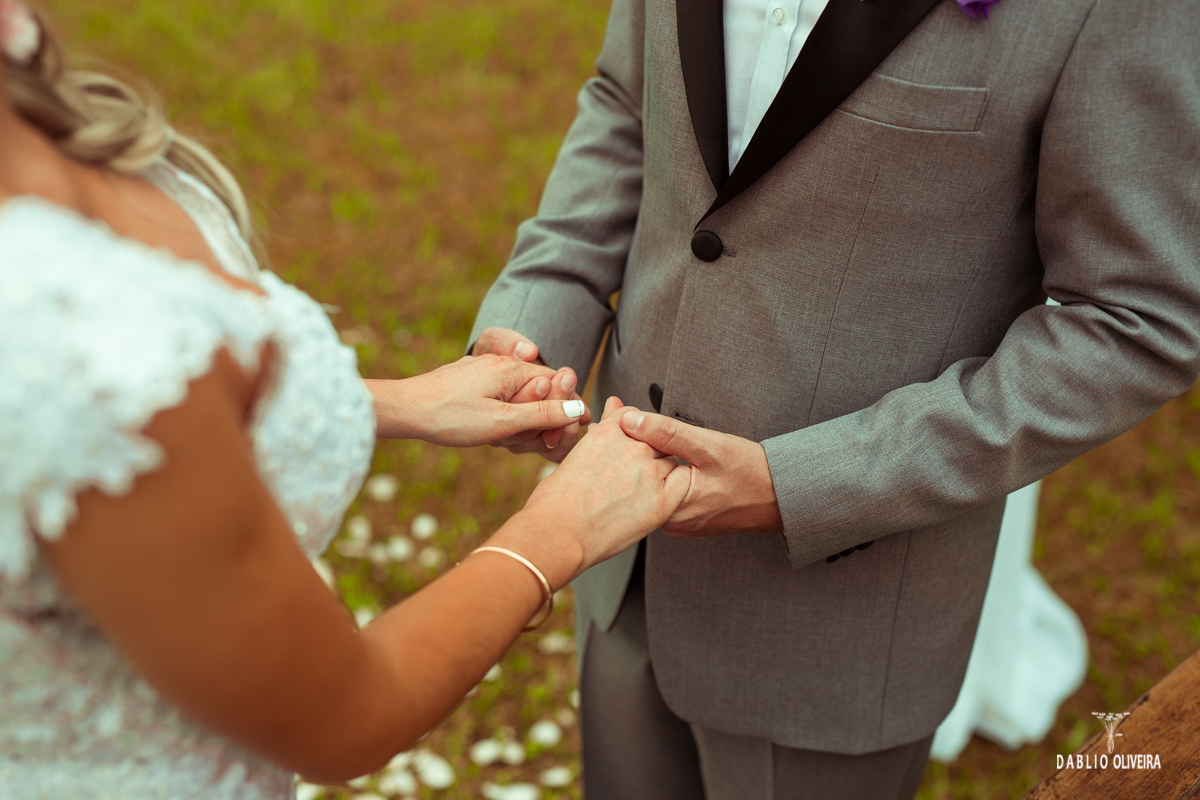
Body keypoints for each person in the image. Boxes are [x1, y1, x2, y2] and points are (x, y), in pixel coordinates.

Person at [468, 0, 1200, 797]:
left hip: (838, 625)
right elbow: (627, 102)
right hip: (617, 562)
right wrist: (538, 319)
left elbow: (1135, 318)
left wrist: (803, 484)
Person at [0, 3, 690, 797]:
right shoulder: (73, 352)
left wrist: (400, 404)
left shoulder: (53, 129)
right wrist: (557, 531)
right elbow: (346, 716)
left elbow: (165, 437)